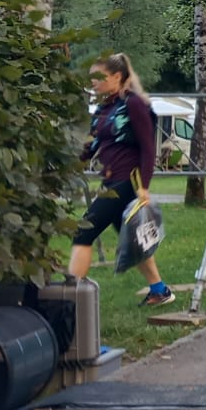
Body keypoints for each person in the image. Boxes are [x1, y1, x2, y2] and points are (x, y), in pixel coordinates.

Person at [69, 53, 174, 306]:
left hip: (127, 183)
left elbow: (148, 147)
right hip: (110, 183)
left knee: (82, 234)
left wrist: (144, 187)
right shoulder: (105, 108)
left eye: (99, 77)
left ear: (117, 76)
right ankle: (159, 290)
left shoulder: (133, 104)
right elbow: (91, 145)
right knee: (133, 241)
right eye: (91, 78)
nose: (93, 82)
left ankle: (68, 298)